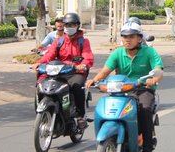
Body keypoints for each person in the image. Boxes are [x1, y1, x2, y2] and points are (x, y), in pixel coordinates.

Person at [86, 22, 163, 152]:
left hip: (143, 89)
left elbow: (158, 69)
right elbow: (105, 71)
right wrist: (94, 80)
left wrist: (153, 79)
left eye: (132, 36)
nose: (128, 40)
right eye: (125, 36)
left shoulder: (149, 52)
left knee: (144, 110)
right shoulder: (117, 53)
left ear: (139, 38)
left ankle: (147, 146)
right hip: (121, 90)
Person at [31, 12, 94, 128]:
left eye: (72, 25)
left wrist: (83, 65)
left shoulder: (84, 42)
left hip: (76, 71)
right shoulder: (59, 41)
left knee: (76, 86)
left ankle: (80, 116)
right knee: (41, 83)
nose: (69, 27)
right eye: (67, 25)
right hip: (59, 71)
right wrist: (39, 63)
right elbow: (49, 55)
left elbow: (88, 57)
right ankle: (42, 110)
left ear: (77, 26)